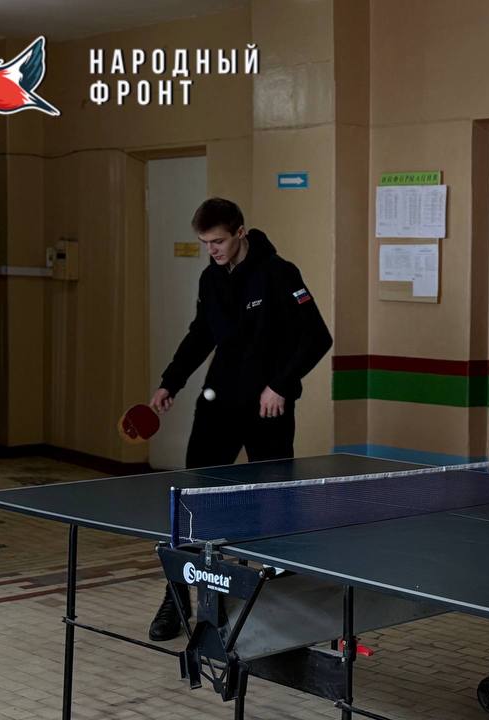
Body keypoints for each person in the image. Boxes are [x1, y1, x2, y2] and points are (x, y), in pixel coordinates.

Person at [146, 197, 333, 641]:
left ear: (240, 232)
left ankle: (282, 603)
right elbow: (200, 335)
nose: (212, 250)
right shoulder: (210, 279)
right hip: (218, 406)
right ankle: (177, 598)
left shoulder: (279, 273)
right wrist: (170, 382)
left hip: (268, 409)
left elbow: (317, 337)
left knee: (276, 505)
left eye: (218, 241)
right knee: (191, 505)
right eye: (205, 243)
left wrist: (280, 385)